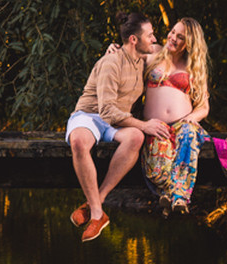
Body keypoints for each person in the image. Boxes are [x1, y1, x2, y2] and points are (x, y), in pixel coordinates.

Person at [64, 12, 170, 242]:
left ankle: (97, 201)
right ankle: (96, 214)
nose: (154, 39)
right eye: (149, 35)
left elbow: (167, 50)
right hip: (92, 114)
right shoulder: (111, 63)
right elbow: (106, 112)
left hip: (117, 120)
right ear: (134, 39)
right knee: (79, 142)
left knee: (135, 138)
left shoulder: (143, 59)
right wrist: (144, 124)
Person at [140, 17, 227, 216]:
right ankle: (167, 192)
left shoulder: (193, 67)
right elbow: (127, 55)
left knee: (189, 134)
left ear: (189, 44)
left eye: (180, 37)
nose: (172, 38)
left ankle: (180, 197)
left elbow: (203, 107)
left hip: (183, 124)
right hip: (154, 125)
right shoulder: (152, 51)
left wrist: (190, 119)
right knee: (158, 162)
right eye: (172, 32)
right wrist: (114, 49)